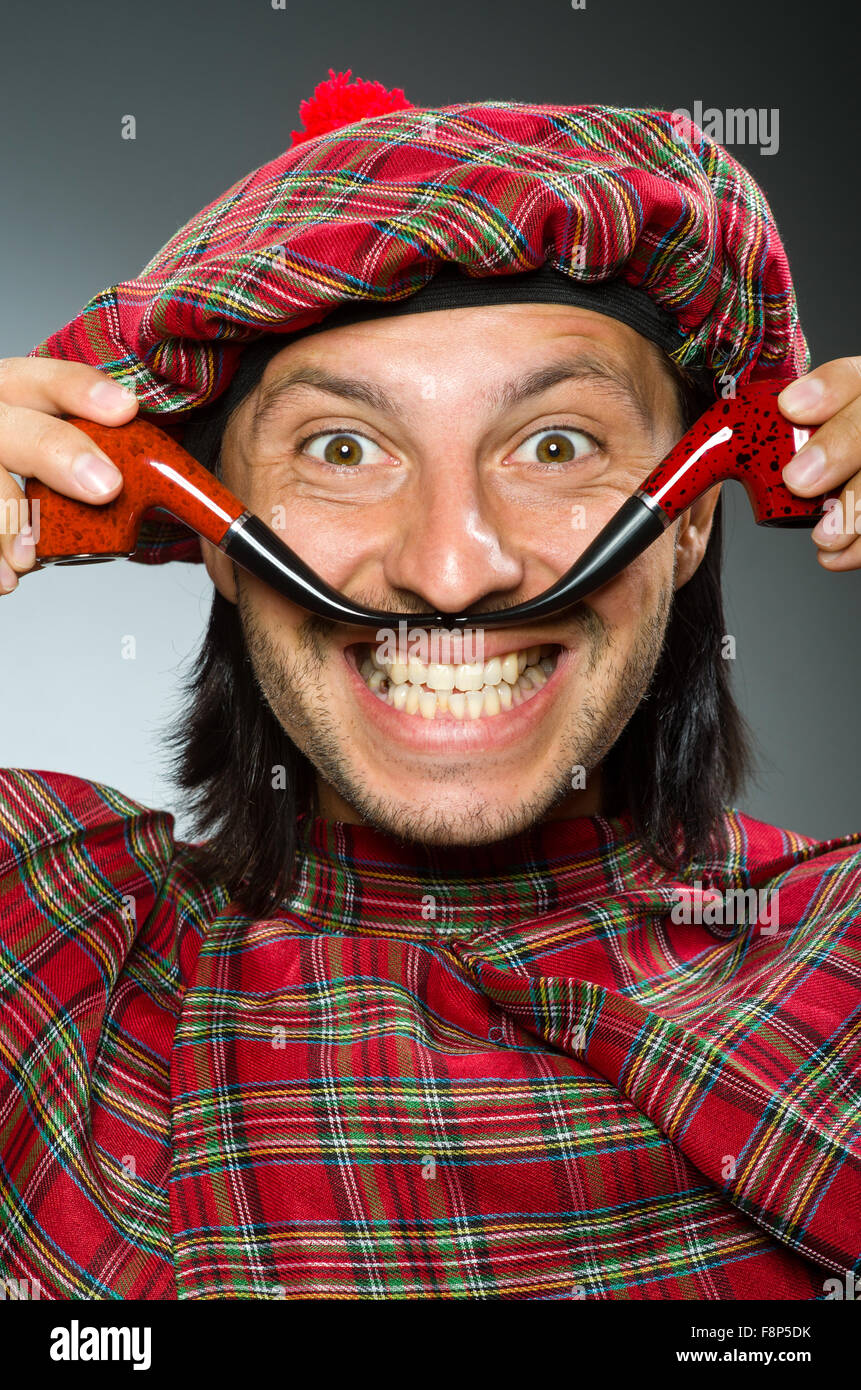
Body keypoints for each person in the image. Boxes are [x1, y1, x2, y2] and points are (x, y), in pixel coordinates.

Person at [0, 73, 858, 1301]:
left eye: (555, 444)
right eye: (342, 449)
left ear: (689, 524)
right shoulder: (50, 952)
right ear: (207, 535)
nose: (453, 570)